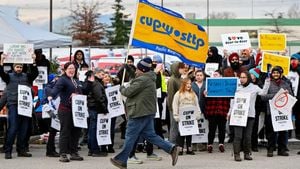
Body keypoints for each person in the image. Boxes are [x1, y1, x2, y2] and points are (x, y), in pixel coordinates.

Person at [110, 57, 179, 169]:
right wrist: (127, 69)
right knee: (151, 136)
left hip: (139, 112)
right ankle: (171, 148)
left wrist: (121, 88)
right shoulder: (149, 77)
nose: (136, 70)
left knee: (130, 136)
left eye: (137, 69)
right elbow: (135, 80)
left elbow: (128, 92)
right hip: (146, 112)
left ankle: (121, 159)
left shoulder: (142, 80)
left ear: (142, 70)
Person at [0, 53, 38, 159]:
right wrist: (2, 61)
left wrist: (33, 61)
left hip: (25, 106)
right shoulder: (9, 77)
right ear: (14, 67)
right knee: (13, 128)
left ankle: (21, 150)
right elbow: (1, 73)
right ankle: (8, 151)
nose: (19, 68)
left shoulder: (26, 77)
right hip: (13, 105)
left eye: (20, 67)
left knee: (24, 129)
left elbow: (35, 73)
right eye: (17, 67)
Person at [48, 62, 84, 162]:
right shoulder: (62, 80)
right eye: (70, 68)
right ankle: (63, 154)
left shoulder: (76, 80)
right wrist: (51, 96)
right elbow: (56, 89)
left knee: (76, 132)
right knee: (65, 132)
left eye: (73, 68)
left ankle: (74, 152)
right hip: (65, 110)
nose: (72, 70)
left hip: (76, 110)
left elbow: (82, 92)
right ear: (65, 70)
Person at [229, 71, 268, 161]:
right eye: (241, 77)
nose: (242, 79)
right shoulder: (237, 88)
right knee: (238, 136)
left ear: (248, 78)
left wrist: (267, 82)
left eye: (244, 77)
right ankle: (237, 154)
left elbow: (263, 93)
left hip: (250, 115)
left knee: (247, 136)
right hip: (238, 115)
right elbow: (232, 101)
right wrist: (229, 112)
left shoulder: (254, 87)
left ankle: (247, 153)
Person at [260, 66, 293, 157]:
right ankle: (270, 149)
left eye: (277, 73)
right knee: (271, 132)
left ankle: (282, 150)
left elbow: (290, 95)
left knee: (283, 131)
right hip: (271, 112)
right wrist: (277, 95)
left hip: (283, 112)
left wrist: (286, 94)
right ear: (271, 74)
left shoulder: (286, 84)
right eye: (274, 72)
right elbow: (263, 97)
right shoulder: (268, 83)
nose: (275, 74)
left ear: (281, 74)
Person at [172, 77, 201, 155]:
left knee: (189, 132)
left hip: (191, 116)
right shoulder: (178, 94)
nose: (189, 85)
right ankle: (180, 148)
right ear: (183, 84)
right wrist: (176, 115)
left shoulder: (193, 94)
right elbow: (175, 105)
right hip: (181, 117)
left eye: (190, 83)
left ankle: (189, 148)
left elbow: (196, 104)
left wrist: (198, 113)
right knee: (181, 133)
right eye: (187, 83)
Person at [204, 70, 230, 153]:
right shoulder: (209, 86)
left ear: (221, 76)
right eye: (213, 74)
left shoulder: (225, 86)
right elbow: (205, 100)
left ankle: (221, 144)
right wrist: (205, 94)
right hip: (212, 110)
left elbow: (229, 98)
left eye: (216, 74)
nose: (214, 76)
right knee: (212, 129)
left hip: (222, 110)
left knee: (222, 129)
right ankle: (210, 144)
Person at [84, 70, 109, 157]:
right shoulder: (96, 84)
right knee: (93, 130)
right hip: (95, 108)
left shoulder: (94, 83)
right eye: (102, 74)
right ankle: (94, 150)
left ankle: (92, 149)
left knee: (92, 129)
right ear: (96, 74)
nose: (103, 75)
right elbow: (99, 98)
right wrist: (105, 109)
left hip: (92, 107)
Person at [167, 62, 186, 143]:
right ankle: (171, 144)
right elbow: (170, 95)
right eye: (181, 68)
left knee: (179, 126)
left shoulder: (180, 79)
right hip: (174, 107)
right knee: (174, 126)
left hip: (181, 106)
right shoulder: (172, 80)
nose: (183, 69)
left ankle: (177, 144)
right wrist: (172, 108)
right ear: (177, 69)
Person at [191, 69, 207, 151]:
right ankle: (194, 144)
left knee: (204, 127)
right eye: (197, 75)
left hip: (205, 108)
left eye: (201, 75)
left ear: (203, 76)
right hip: (194, 109)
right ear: (195, 76)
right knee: (194, 126)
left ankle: (204, 144)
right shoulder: (192, 85)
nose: (199, 77)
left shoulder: (206, 84)